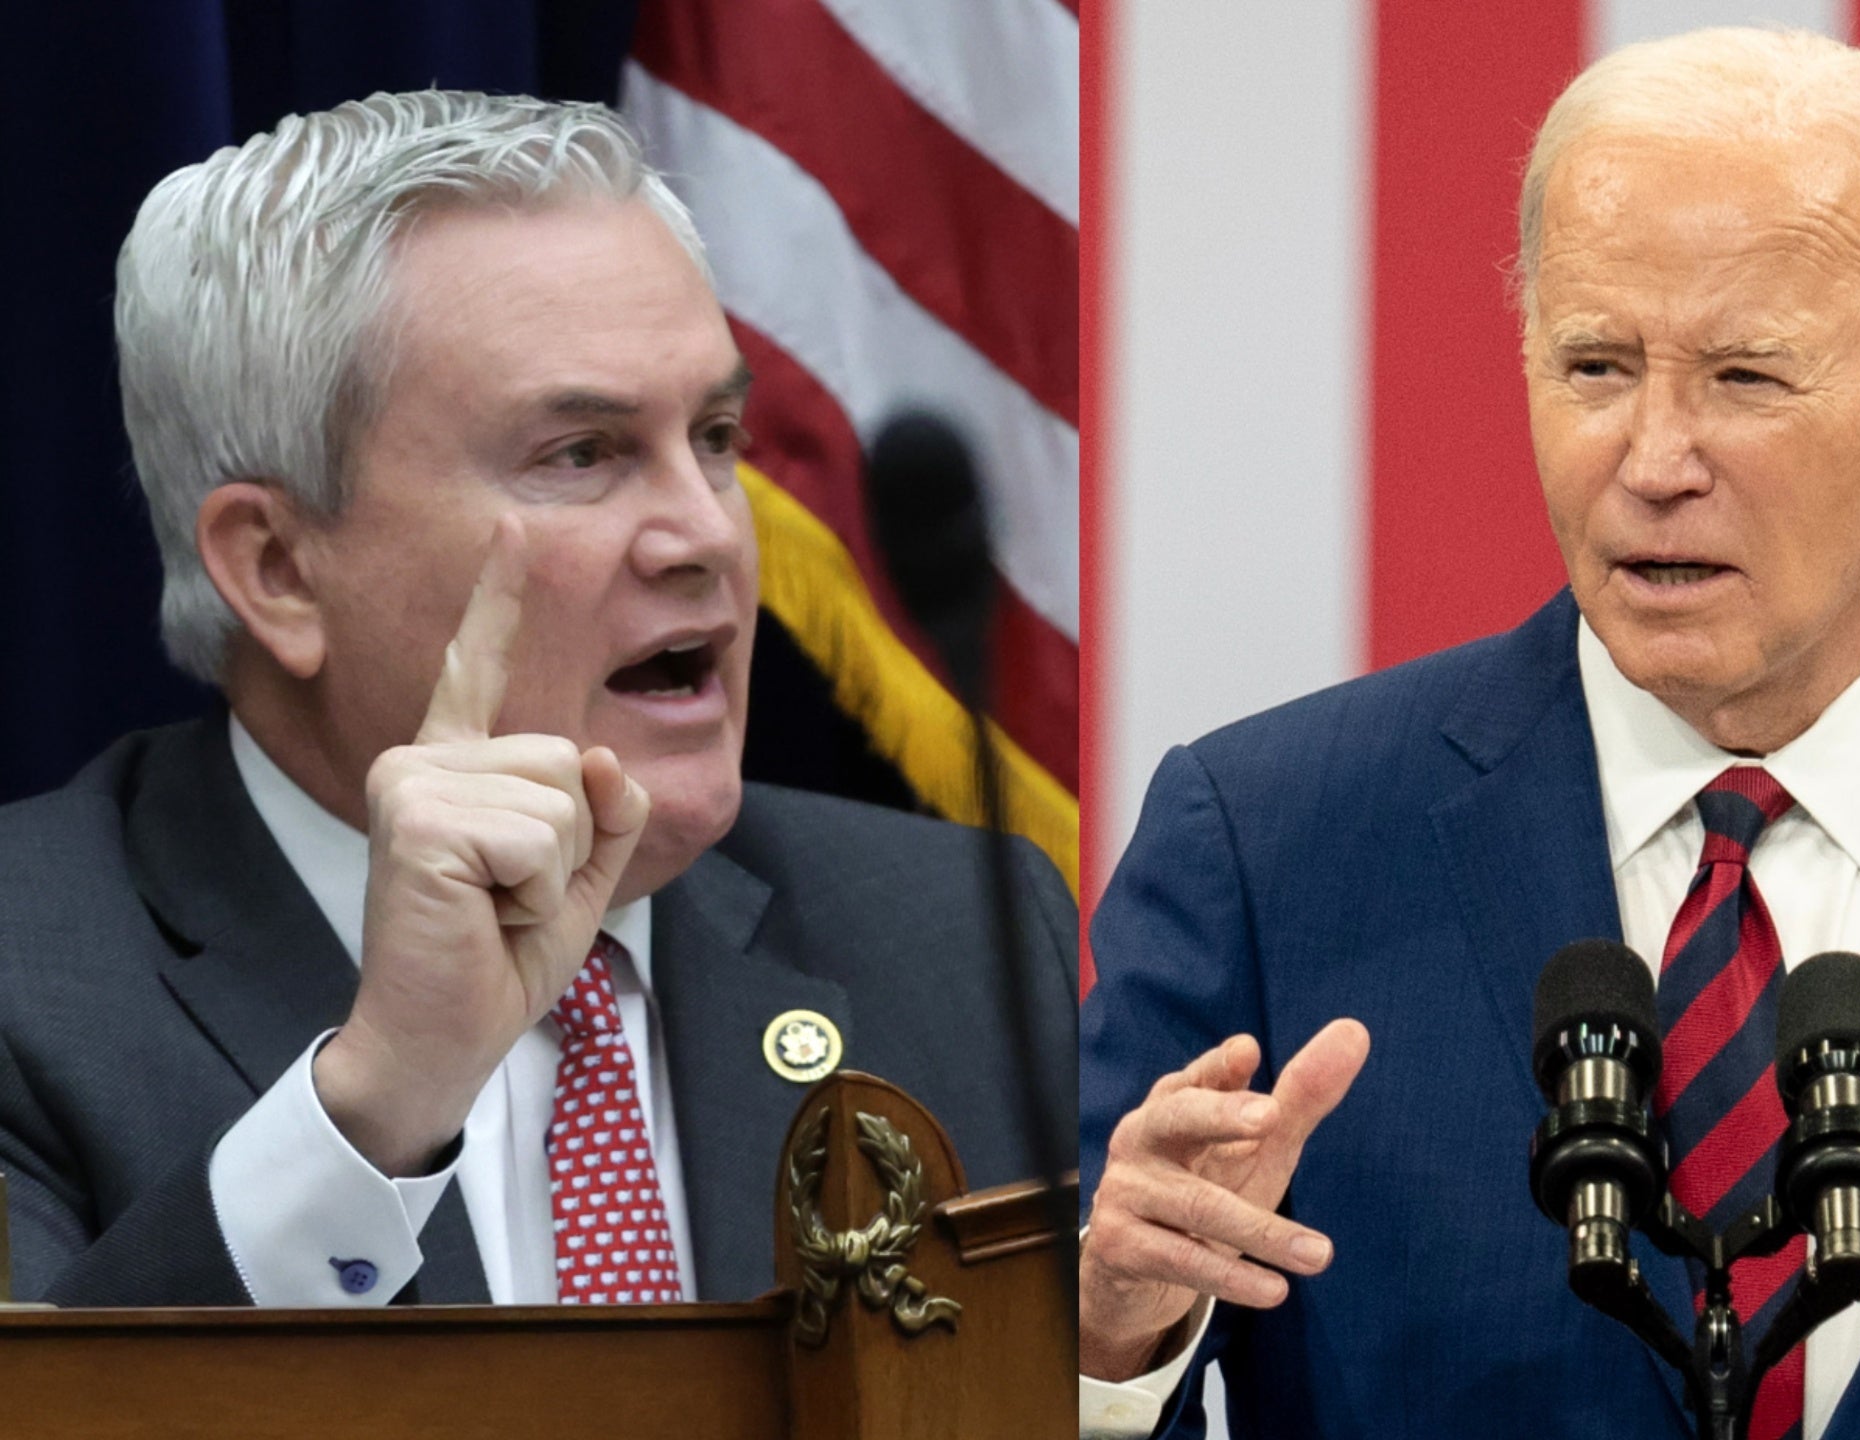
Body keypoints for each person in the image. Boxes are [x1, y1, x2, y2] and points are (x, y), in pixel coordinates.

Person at [1080, 27, 1860, 1440]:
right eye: (1595, 366)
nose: (1651, 463)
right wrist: (1106, 1345)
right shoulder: (1270, 847)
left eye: (1745, 378)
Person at [0, 90, 1076, 1309]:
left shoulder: (955, 934)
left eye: (717, 436)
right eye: (582, 455)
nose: (705, 534)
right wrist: (379, 1102)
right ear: (279, 569)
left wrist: (1110, 1360)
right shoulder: (28, 980)